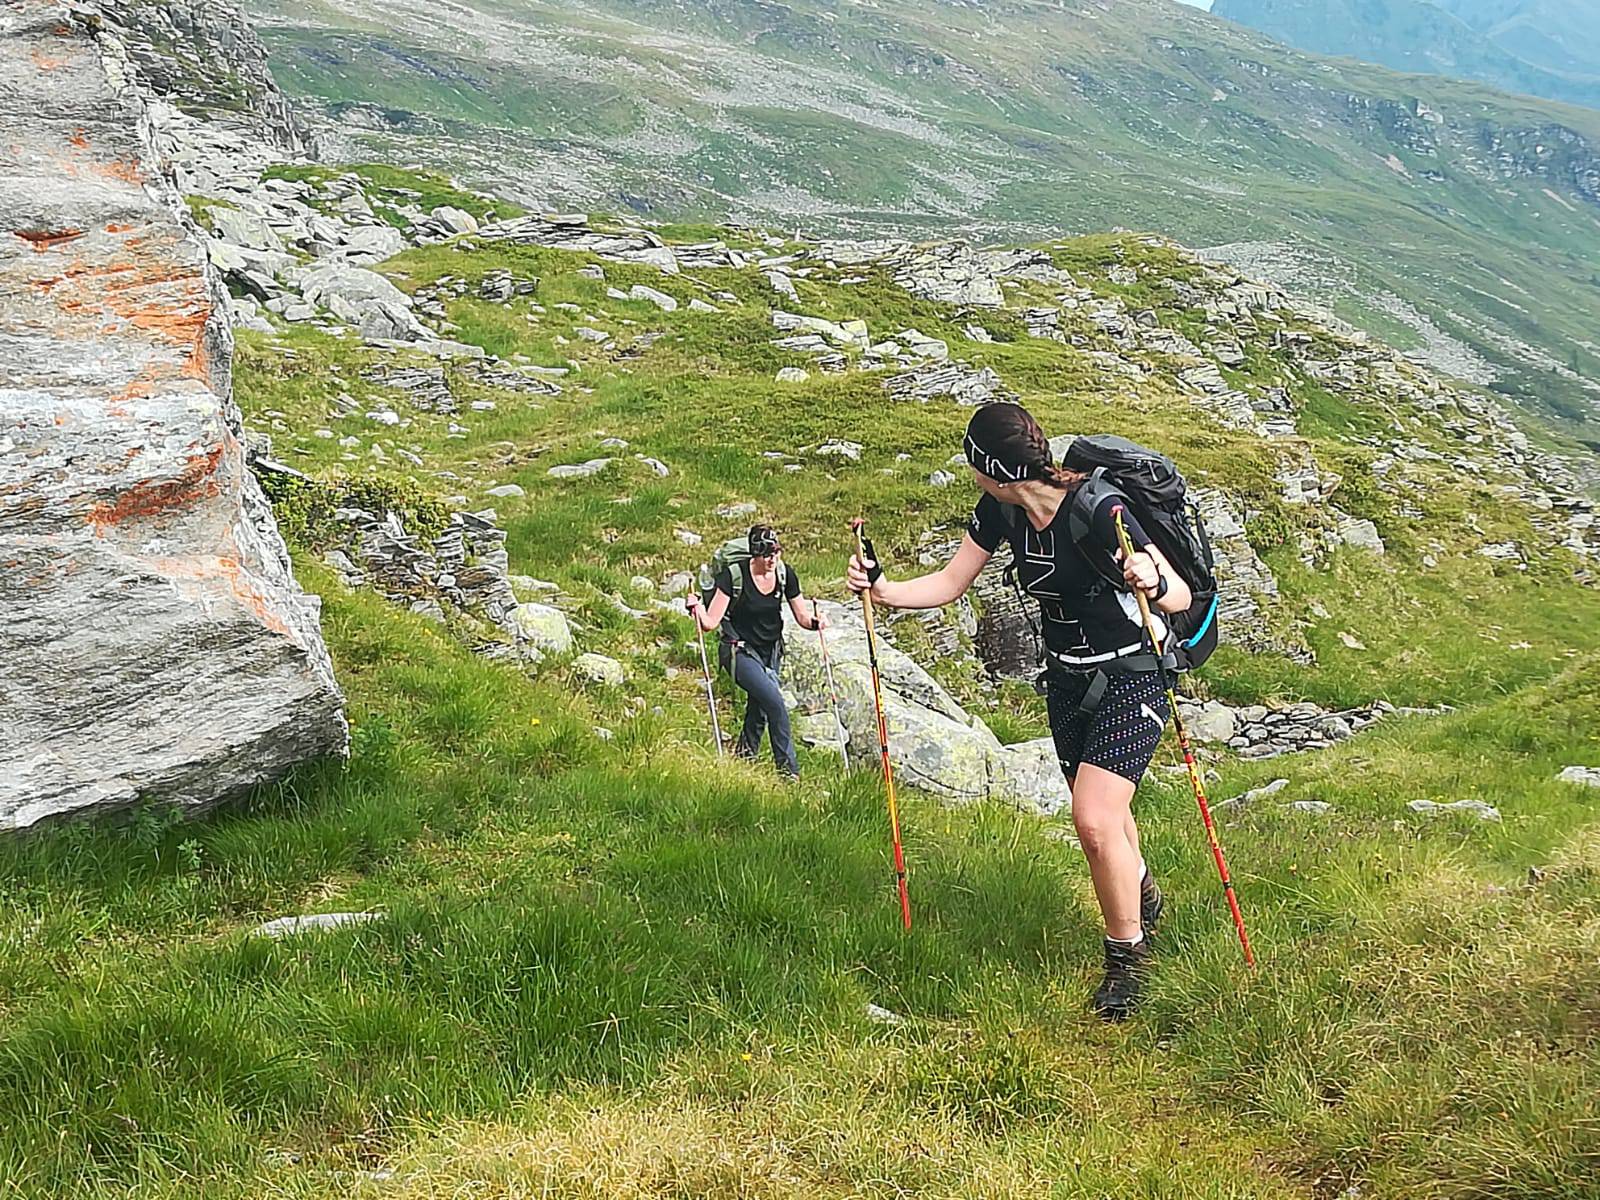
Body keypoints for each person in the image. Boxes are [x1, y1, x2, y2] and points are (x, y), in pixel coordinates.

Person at [846, 403, 1192, 1020]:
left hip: (1133, 673)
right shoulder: (1001, 511)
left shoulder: (1100, 509)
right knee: (1109, 816)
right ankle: (1141, 895)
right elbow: (950, 583)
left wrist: (1151, 576)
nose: (969, 471)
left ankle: (1127, 961)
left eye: (973, 460)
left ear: (994, 467)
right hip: (1066, 679)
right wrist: (881, 589)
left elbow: (1178, 594)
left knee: (1092, 819)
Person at [687, 525, 827, 778]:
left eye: (776, 553)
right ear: (755, 554)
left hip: (771, 651)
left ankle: (745, 755)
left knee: (760, 706)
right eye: (766, 554)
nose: (772, 559)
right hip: (738, 650)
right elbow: (710, 623)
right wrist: (696, 608)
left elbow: (803, 617)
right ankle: (788, 773)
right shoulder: (734, 577)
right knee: (775, 703)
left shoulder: (785, 575)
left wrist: (816, 622)